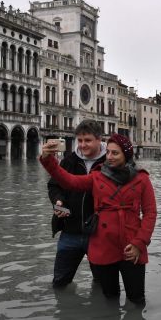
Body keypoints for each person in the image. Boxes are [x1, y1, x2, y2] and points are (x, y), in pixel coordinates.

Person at [40, 133, 157, 305]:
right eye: (108, 152)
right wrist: (47, 159)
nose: (109, 157)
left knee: (137, 298)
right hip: (104, 245)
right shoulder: (97, 176)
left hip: (132, 245)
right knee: (110, 297)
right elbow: (69, 181)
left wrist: (140, 243)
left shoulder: (142, 179)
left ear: (126, 154)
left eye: (115, 153)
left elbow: (150, 213)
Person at [48, 120, 107, 288]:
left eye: (87, 140)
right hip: (70, 231)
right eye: (79, 141)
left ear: (99, 139)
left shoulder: (110, 161)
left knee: (102, 284)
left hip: (99, 234)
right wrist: (58, 202)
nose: (82, 145)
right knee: (59, 283)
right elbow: (54, 185)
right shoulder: (69, 161)